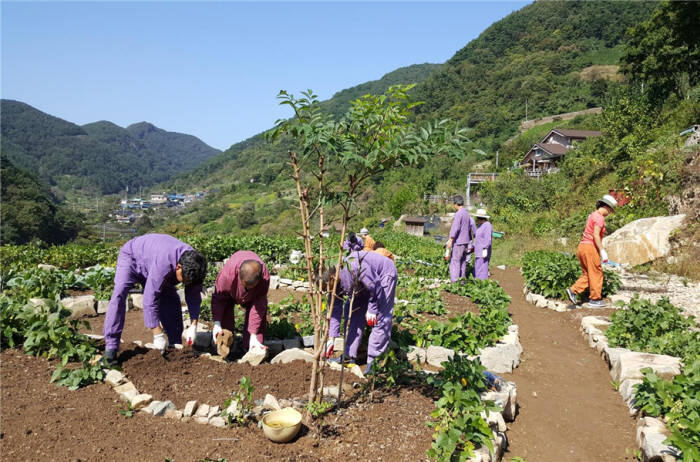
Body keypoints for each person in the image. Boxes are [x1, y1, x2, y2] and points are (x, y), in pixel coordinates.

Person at [103, 234, 207, 365]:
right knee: (119, 294)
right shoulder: (164, 264)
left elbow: (193, 297)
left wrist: (193, 325)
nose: (186, 283)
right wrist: (157, 334)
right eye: (185, 280)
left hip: (154, 261)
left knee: (171, 299)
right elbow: (149, 298)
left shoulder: (196, 265)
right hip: (132, 257)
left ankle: (175, 346)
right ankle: (111, 348)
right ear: (178, 267)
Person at [324, 250, 398, 374]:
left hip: (383, 276)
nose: (326, 290)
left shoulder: (354, 266)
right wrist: (332, 337)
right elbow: (335, 310)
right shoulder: (332, 284)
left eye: (325, 287)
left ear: (332, 278)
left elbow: (375, 285)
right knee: (352, 312)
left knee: (380, 318)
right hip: (362, 285)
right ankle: (349, 356)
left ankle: (374, 363)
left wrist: (372, 309)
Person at [210, 250, 270, 354]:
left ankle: (251, 348)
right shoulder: (227, 276)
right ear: (239, 275)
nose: (246, 289)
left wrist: (253, 335)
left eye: (250, 287)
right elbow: (219, 298)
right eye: (244, 285)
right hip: (230, 293)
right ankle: (225, 349)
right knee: (225, 319)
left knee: (257, 322)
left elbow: (258, 306)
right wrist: (217, 323)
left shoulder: (264, 278)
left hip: (255, 298)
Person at [566, 194, 618, 308]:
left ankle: (573, 290)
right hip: (590, 248)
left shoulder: (592, 215)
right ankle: (595, 299)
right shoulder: (600, 218)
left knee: (588, 273)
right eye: (610, 211)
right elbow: (595, 235)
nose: (609, 214)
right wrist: (602, 250)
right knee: (596, 273)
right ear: (607, 207)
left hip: (582, 247)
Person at [446, 195, 476, 282]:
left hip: (458, 242)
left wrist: (451, 240)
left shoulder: (458, 214)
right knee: (462, 262)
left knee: (455, 262)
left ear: (455, 204)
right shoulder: (466, 213)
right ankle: (462, 280)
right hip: (466, 241)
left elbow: (456, 228)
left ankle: (455, 282)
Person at [472, 209, 493, 280]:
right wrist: (473, 246)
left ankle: (482, 284)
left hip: (483, 252)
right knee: (478, 268)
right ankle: (477, 283)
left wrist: (485, 249)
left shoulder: (487, 225)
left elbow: (488, 240)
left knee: (482, 269)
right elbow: (477, 238)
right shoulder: (480, 226)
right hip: (478, 251)